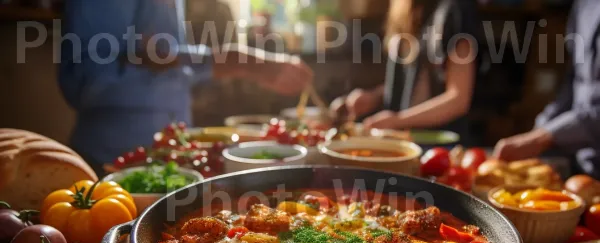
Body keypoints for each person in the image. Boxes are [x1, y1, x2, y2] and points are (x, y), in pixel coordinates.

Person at [59, 0, 313, 171]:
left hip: (173, 166)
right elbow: (86, 81)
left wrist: (233, 62)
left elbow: (165, 59)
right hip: (111, 168)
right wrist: (230, 60)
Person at [330, 0, 480, 136]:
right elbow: (414, 88)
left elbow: (458, 99)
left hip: (439, 147)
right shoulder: (405, 9)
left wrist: (397, 120)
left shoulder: (456, 9)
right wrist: (374, 97)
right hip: (404, 140)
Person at [494, 0, 600, 179]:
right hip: (584, 168)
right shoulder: (583, 5)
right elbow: (574, 82)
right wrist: (541, 127)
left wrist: (543, 137)